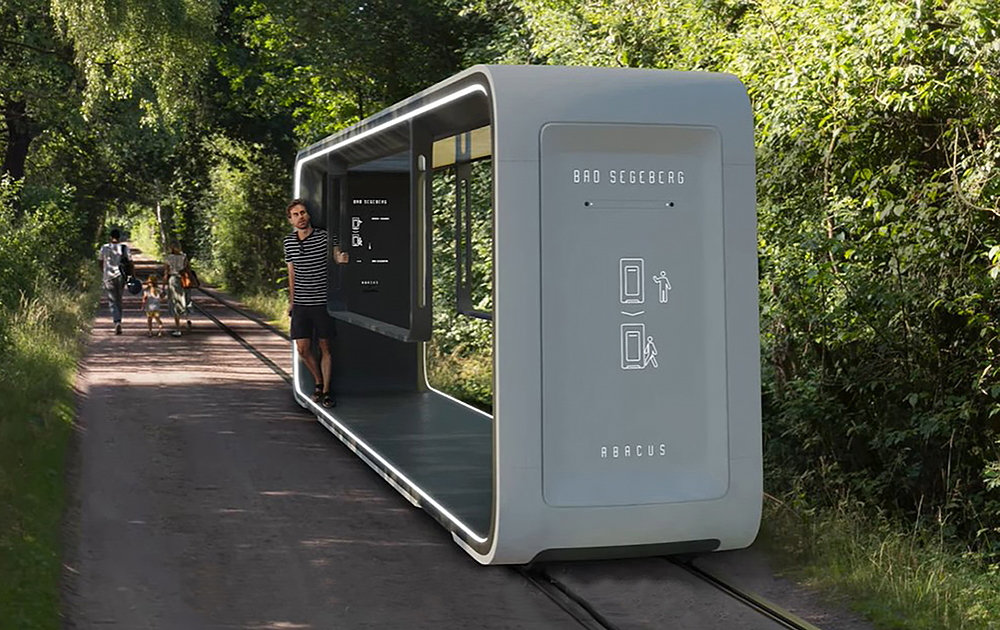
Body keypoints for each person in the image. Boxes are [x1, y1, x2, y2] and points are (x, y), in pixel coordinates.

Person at [284, 199, 349, 407]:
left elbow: (337, 255)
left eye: (303, 213)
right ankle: (318, 382)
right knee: (302, 348)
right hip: (301, 303)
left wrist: (341, 258)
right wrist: (291, 301)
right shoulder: (289, 242)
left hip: (322, 301)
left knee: (325, 347)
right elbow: (291, 272)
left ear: (308, 215)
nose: (300, 217)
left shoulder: (324, 237)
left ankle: (327, 391)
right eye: (295, 214)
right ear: (290, 220)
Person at [97, 229, 129, 334]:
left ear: (110, 237)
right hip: (121, 276)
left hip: (108, 276)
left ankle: (116, 321)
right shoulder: (124, 248)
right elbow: (130, 263)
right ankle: (119, 320)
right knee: (119, 299)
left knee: (112, 301)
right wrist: (132, 275)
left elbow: (100, 262)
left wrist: (104, 272)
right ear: (119, 237)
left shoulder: (104, 248)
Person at [163, 241, 192, 337]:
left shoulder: (169, 258)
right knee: (185, 299)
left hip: (173, 280)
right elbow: (188, 269)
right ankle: (187, 318)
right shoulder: (184, 257)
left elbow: (166, 273)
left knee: (175, 303)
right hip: (183, 280)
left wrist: (163, 287)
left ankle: (178, 329)